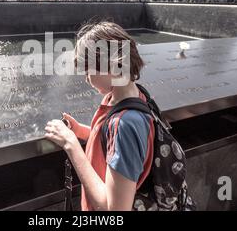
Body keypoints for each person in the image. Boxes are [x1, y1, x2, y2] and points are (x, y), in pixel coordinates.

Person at [45, 22, 155, 211]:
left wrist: (71, 144)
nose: (86, 78)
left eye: (88, 71)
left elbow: (114, 210)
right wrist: (81, 131)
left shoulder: (126, 124)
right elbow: (112, 146)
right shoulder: (131, 97)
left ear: (113, 66)